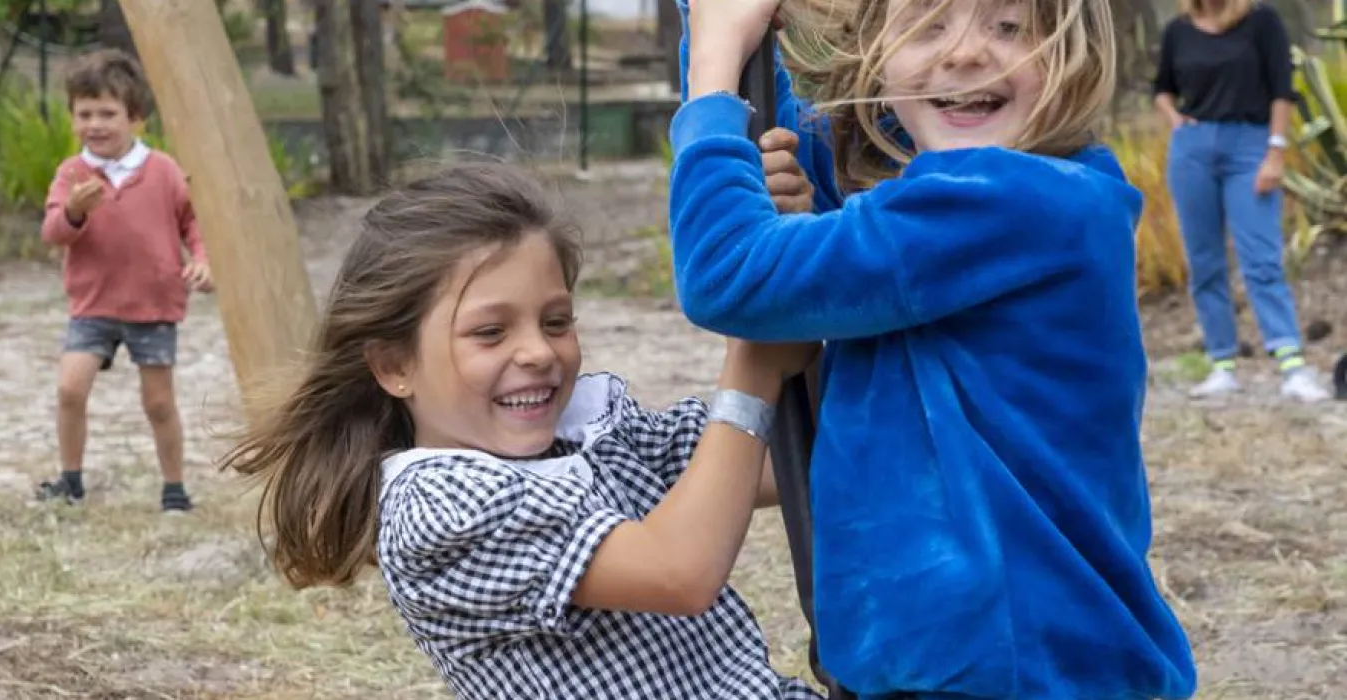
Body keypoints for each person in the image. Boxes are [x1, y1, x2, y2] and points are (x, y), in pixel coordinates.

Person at [670, 0, 1198, 698]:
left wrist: (712, 73)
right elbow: (824, 151)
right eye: (926, 27)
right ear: (878, 54)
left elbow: (728, 272)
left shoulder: (1014, 203)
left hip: (1010, 671)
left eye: (1008, 27)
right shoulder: (985, 195)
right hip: (984, 663)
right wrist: (726, 28)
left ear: (1078, 55)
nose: (964, 54)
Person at [217, 162, 827, 699]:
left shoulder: (588, 435)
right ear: (394, 366)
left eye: (556, 320)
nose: (538, 351)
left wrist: (782, 254)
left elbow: (795, 458)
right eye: (490, 332)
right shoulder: (438, 510)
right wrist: (750, 368)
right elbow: (680, 572)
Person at [37, 49, 213, 511]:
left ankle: (174, 489)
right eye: (84, 114)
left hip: (153, 304)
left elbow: (195, 223)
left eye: (107, 114)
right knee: (70, 389)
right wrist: (74, 211)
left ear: (135, 118)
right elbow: (52, 233)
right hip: (92, 304)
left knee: (158, 403)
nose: (95, 124)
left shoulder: (164, 171)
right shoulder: (72, 174)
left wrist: (202, 260)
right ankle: (70, 481)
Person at [1153, 0, 1331, 402]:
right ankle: (1222, 365)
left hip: (1250, 146)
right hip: (1192, 151)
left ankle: (1292, 366)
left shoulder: (1261, 21)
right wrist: (1176, 122)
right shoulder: (1179, 30)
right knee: (1204, 262)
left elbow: (1282, 89)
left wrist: (1275, 150)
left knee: (1261, 258)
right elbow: (1162, 89)